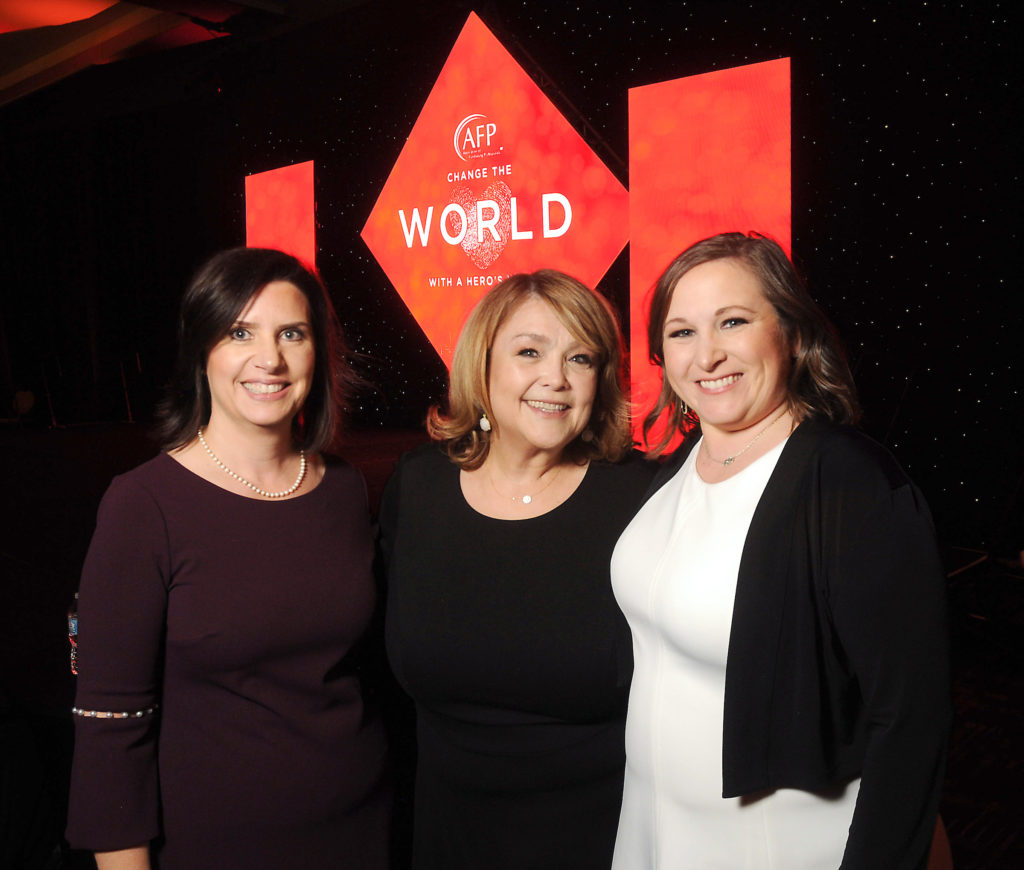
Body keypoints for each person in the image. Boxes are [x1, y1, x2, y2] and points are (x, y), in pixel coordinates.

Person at [611, 232, 950, 869]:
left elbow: (908, 720)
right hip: (656, 830)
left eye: (732, 322)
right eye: (682, 332)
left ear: (791, 332)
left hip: (778, 845)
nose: (706, 355)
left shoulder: (849, 481)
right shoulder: (680, 465)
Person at [65, 248, 391, 870]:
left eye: (291, 334)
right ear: (202, 351)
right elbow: (110, 726)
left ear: (317, 353)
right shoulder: (143, 506)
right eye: (240, 332)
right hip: (216, 846)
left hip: (359, 831)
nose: (269, 359)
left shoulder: (345, 489)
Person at [378, 270, 656, 869]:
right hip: (444, 838)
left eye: (580, 358)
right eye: (529, 351)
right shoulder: (416, 487)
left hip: (600, 840)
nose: (555, 378)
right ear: (482, 366)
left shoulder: (643, 499)